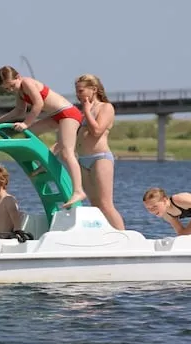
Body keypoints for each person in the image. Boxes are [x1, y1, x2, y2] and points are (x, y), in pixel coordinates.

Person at [0, 66, 86, 209]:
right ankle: (45, 162)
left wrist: (26, 123)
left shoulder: (27, 83)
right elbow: (18, 111)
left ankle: (79, 191)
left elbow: (38, 103)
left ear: (18, 77)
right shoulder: (20, 91)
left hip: (68, 113)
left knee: (67, 152)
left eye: (11, 86)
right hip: (56, 116)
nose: (11, 90)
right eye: (7, 89)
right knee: (30, 134)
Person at [74, 73, 125, 230]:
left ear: (93, 89)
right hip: (83, 160)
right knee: (95, 206)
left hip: (100, 159)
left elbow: (96, 131)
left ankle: (124, 236)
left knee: (106, 204)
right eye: (76, 91)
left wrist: (88, 111)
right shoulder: (82, 112)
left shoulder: (106, 107)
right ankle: (106, 236)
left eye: (81, 91)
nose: (78, 94)